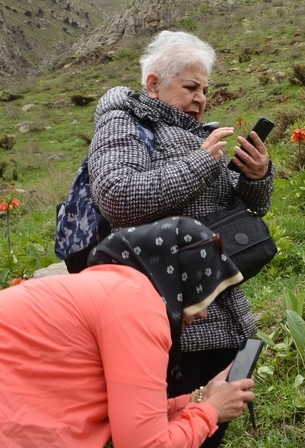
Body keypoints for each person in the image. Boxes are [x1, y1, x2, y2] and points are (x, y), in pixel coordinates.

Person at [86, 30, 274, 446]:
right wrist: (200, 162)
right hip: (162, 312)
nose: (201, 97)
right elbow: (119, 198)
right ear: (154, 83)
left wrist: (257, 176)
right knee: (171, 425)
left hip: (215, 303)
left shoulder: (193, 131)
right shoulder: (125, 121)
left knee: (211, 418)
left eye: (205, 88)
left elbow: (243, 206)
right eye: (191, 86)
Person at [0, 217, 255, 448]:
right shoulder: (138, 306)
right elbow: (145, 445)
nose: (203, 314)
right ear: (181, 279)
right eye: (202, 294)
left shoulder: (115, 287)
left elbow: (134, 418)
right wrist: (211, 411)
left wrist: (200, 399)